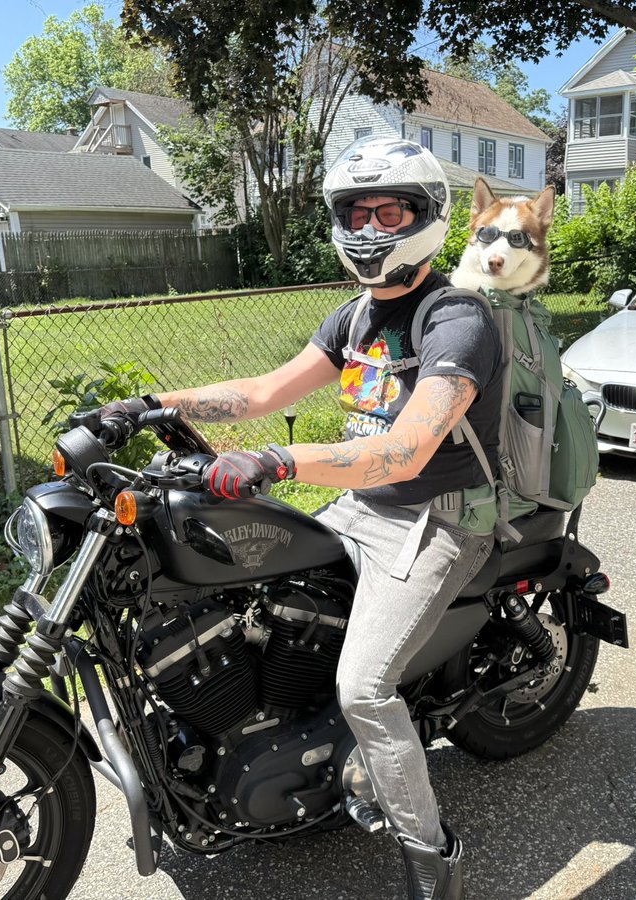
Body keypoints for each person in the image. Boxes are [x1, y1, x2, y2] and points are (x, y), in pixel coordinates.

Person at [101, 136, 503, 900]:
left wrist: (279, 462)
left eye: (389, 210)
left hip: (435, 520)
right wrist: (149, 406)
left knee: (365, 688)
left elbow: (409, 452)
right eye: (355, 209)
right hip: (360, 503)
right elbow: (260, 392)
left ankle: (434, 856)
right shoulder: (356, 317)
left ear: (426, 218)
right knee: (252, 591)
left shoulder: (456, 320)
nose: (369, 225)